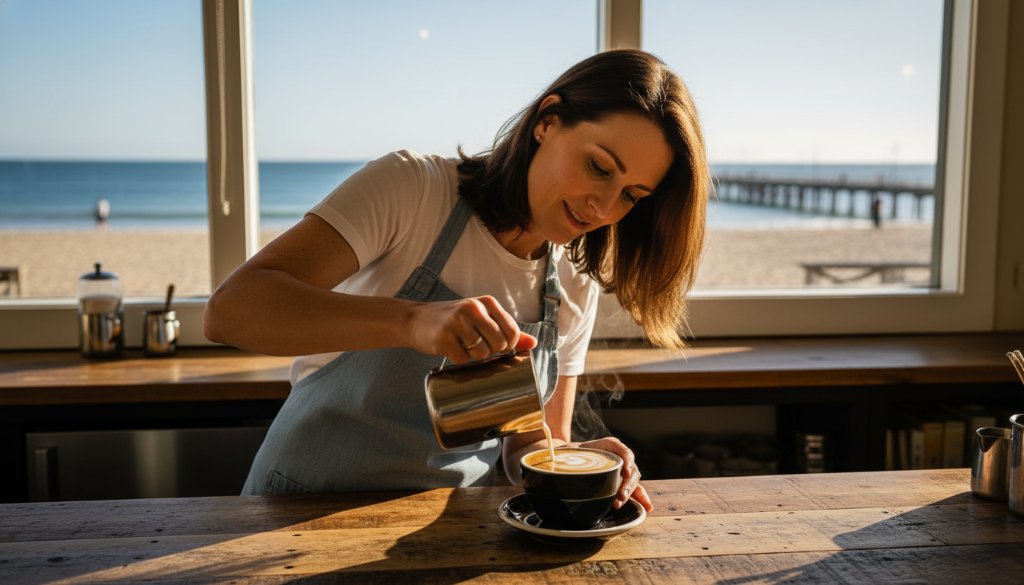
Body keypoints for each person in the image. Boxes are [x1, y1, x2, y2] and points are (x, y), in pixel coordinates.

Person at [204, 49, 710, 513]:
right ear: (547, 122)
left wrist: (578, 460)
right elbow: (230, 312)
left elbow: (529, 446)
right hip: (297, 510)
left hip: (441, 537)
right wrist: (414, 322)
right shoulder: (412, 190)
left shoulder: (573, 282)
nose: (604, 207)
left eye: (631, 195)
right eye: (599, 167)